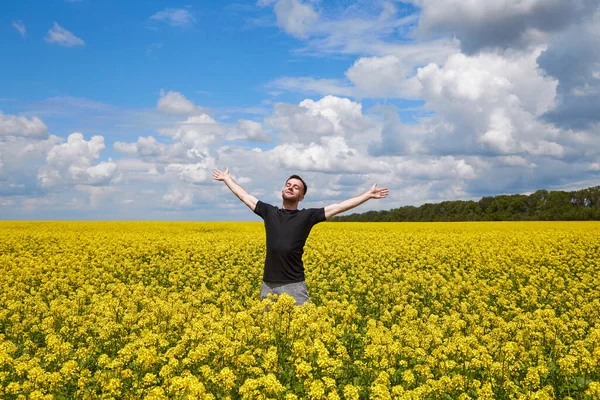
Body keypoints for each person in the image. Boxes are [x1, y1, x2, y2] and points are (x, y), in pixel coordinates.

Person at [212, 167, 389, 305]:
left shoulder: (307, 216)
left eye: (296, 187)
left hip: (294, 285)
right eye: (288, 185)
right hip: (269, 284)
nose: (291, 187)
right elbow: (245, 196)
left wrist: (368, 195)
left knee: (301, 330)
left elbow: (339, 206)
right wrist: (227, 179)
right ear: (283, 190)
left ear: (301, 197)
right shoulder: (269, 212)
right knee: (268, 330)